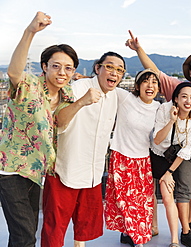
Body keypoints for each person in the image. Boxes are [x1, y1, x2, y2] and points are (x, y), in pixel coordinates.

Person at [126, 30, 191, 247]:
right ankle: (184, 231)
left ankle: (189, 224)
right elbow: (154, 73)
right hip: (176, 150)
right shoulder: (177, 88)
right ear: (189, 73)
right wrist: (139, 49)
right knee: (183, 189)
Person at [0, 12, 78, 247]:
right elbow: (13, 72)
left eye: (68, 68)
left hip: (36, 171)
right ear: (44, 67)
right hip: (10, 169)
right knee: (24, 234)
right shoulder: (29, 85)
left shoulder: (68, 94)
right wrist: (30, 31)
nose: (62, 72)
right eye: (56, 66)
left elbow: (61, 124)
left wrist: (82, 101)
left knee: (27, 230)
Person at [41, 51, 126, 247]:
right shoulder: (78, 87)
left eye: (119, 70)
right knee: (55, 225)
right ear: (98, 68)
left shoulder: (116, 95)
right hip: (65, 167)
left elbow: (146, 91)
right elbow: (58, 121)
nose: (114, 73)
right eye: (110, 67)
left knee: (85, 223)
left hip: (92, 172)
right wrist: (82, 102)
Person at [104, 69, 161, 247]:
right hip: (121, 156)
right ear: (137, 86)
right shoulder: (126, 98)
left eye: (154, 82)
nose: (150, 85)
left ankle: (132, 233)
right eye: (145, 81)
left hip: (143, 160)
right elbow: (106, 85)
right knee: (124, 199)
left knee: (142, 200)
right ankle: (135, 236)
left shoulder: (158, 108)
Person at [150, 82, 191, 247]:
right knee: (148, 194)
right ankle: (152, 227)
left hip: (172, 161)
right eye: (184, 97)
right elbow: (157, 139)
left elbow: (185, 151)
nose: (188, 101)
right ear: (176, 99)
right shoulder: (164, 109)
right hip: (154, 154)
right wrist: (172, 121)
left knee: (167, 197)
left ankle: (174, 240)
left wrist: (169, 173)